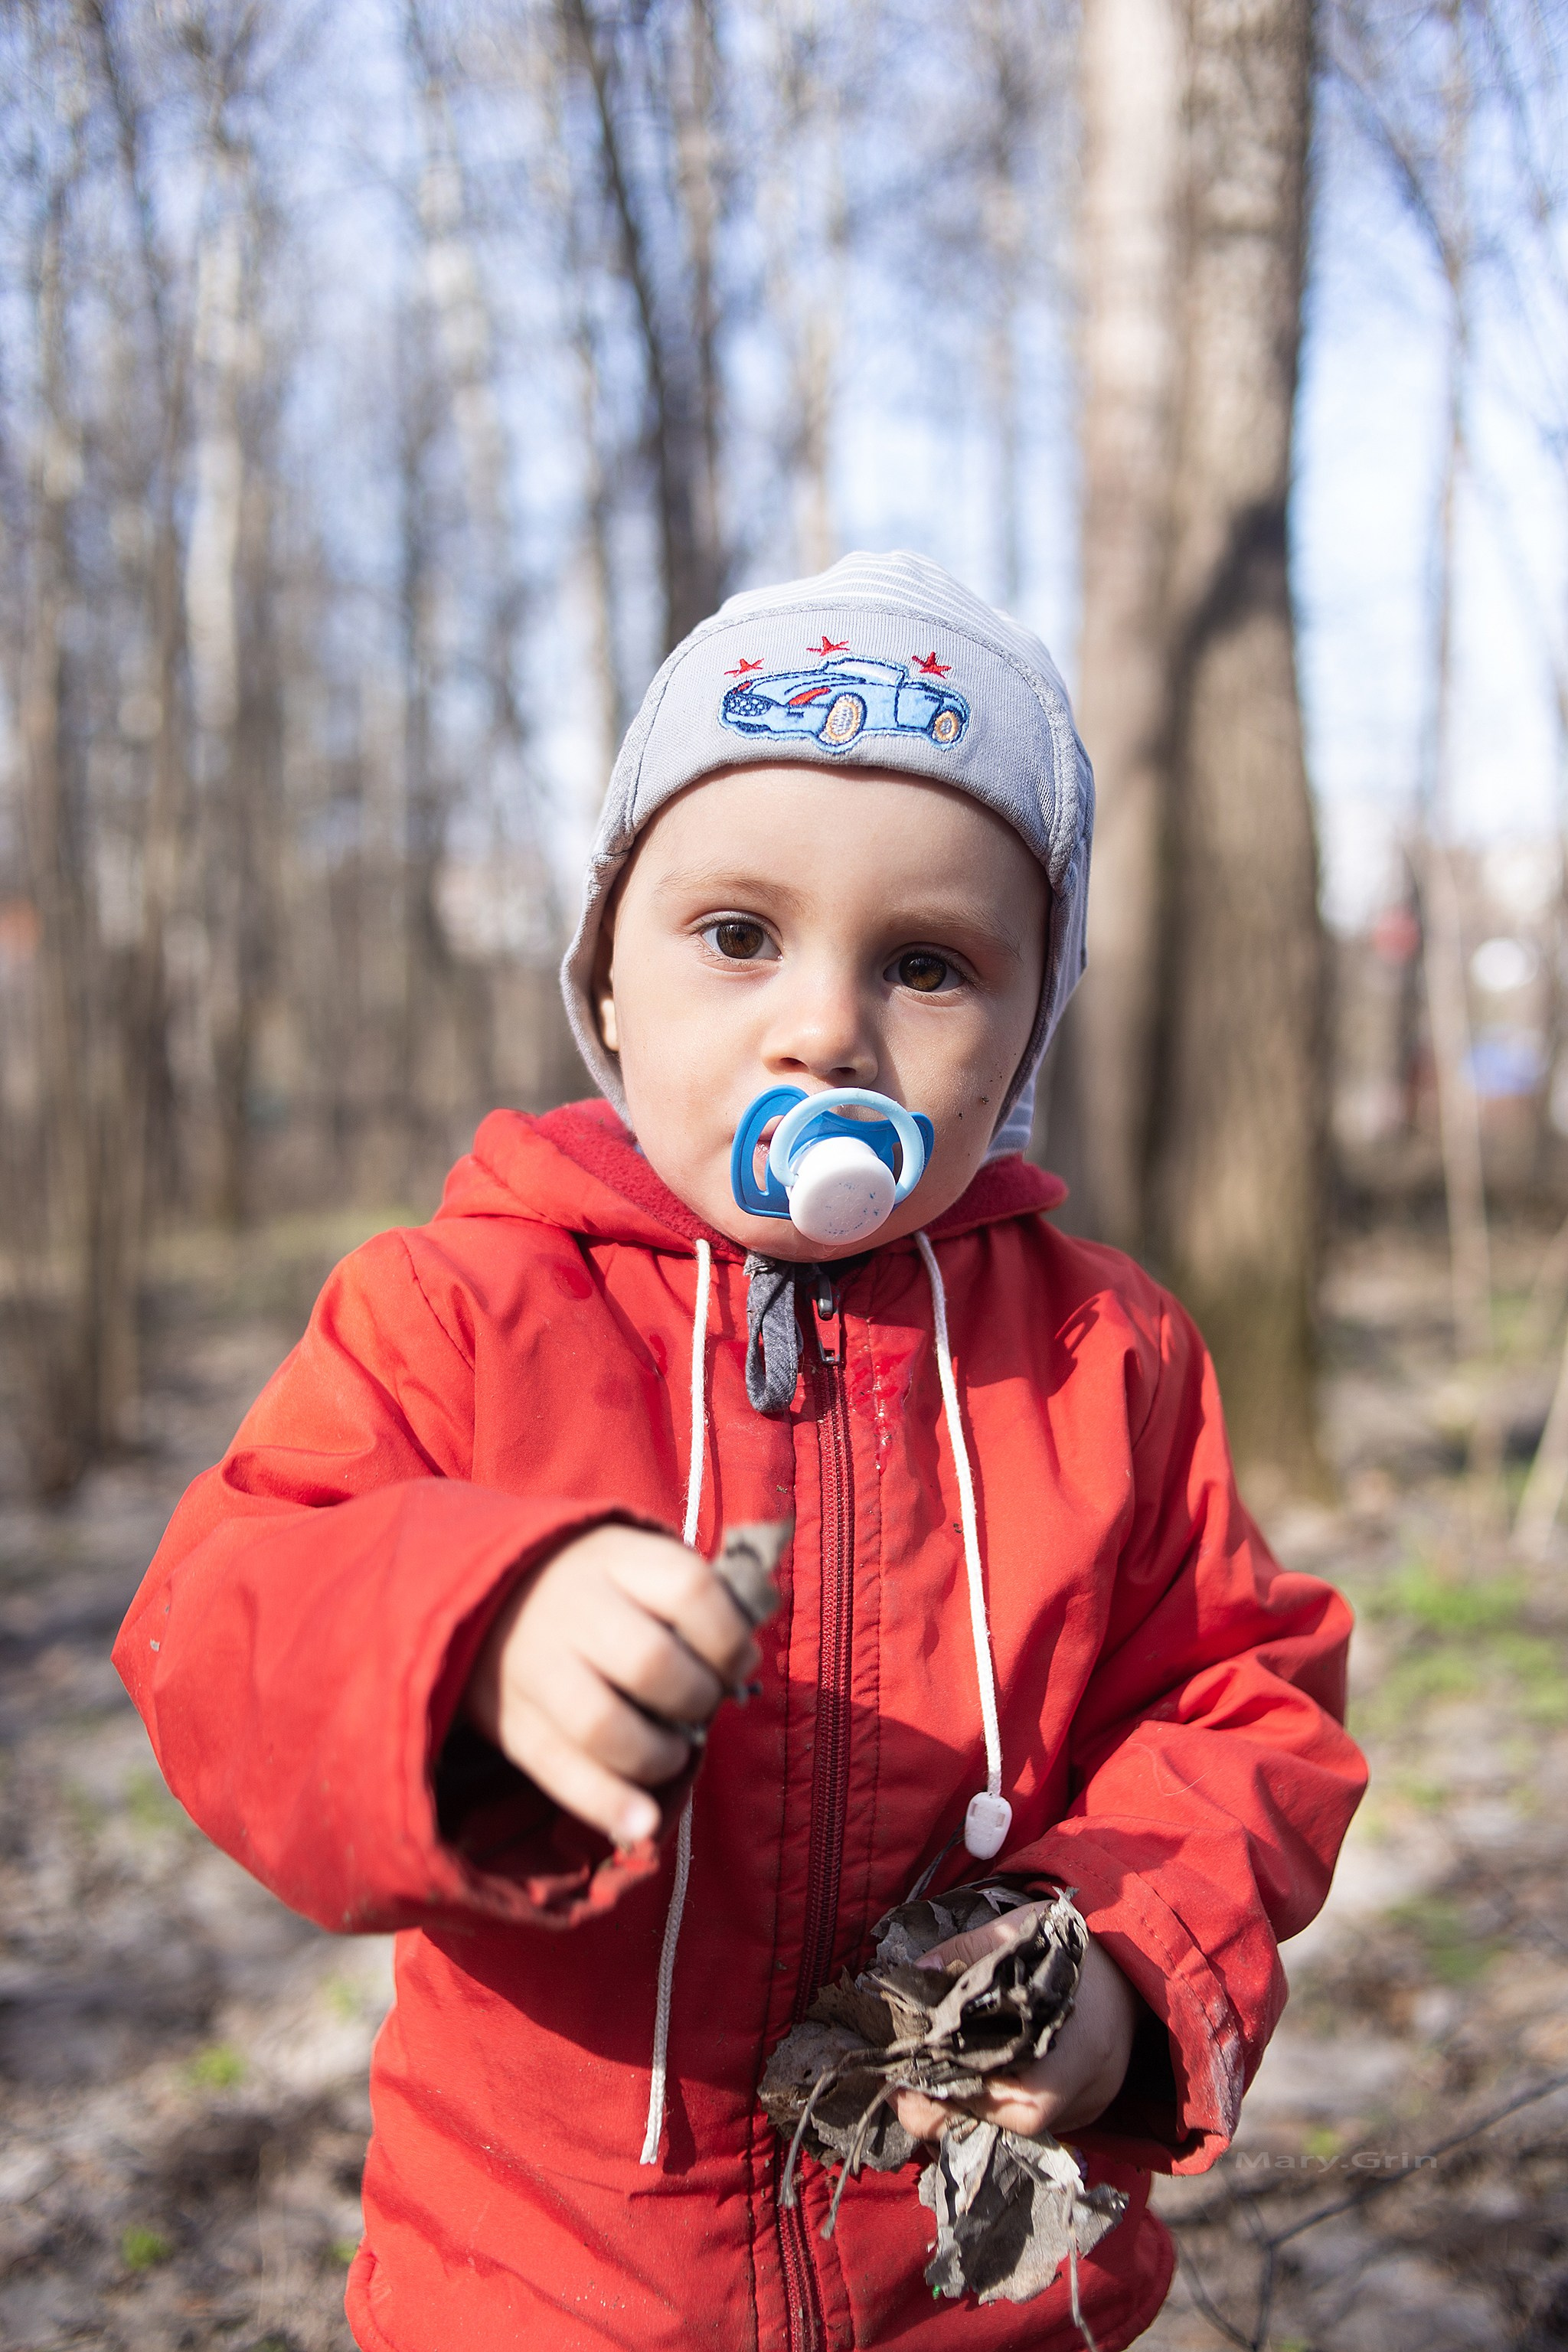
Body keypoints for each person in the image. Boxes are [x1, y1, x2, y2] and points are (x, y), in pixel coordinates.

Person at [114, 550, 1365, 2352]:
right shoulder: (452, 1314)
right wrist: (476, 1641)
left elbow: (1244, 1711)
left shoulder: (1109, 1354)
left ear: (1024, 1032)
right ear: (607, 980)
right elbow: (224, 1622)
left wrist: (1118, 1979)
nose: (822, 1026)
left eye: (926, 965)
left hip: (986, 2302)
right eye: (737, 936)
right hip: (545, 2295)